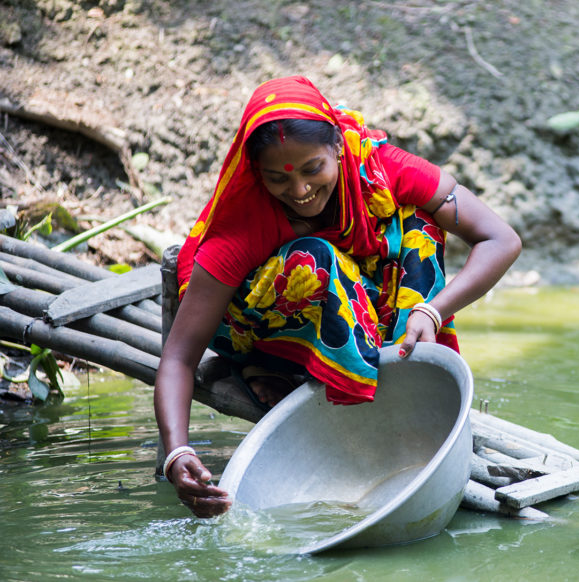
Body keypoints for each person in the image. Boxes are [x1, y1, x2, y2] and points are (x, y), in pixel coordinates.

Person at [154, 76, 521, 518]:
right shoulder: (245, 220)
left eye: (313, 169)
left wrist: (433, 310)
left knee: (420, 222)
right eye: (277, 178)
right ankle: (293, 373)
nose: (299, 191)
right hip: (259, 327)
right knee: (317, 261)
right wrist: (177, 453)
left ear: (339, 149)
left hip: (360, 311)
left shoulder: (381, 167)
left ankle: (406, 364)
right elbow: (178, 357)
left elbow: (501, 238)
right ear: (257, 174)